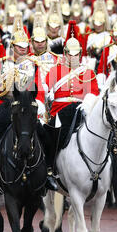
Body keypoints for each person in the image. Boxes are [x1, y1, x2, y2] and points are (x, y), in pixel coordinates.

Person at [0, 17, 58, 195]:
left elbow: (39, 91)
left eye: (25, 47)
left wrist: (38, 107)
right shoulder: (0, 65)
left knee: (45, 134)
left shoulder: (34, 66)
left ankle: (48, 173)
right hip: (4, 107)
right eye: (19, 47)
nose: (23, 50)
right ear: (13, 47)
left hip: (27, 108)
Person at [43, 20, 99, 177]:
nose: (73, 57)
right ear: (65, 54)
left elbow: (93, 93)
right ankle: (50, 167)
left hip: (81, 109)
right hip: (59, 110)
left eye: (76, 54)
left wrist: (86, 104)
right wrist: (46, 94)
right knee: (52, 135)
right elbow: (45, 88)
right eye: (70, 54)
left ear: (80, 54)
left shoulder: (87, 72)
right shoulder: (55, 70)